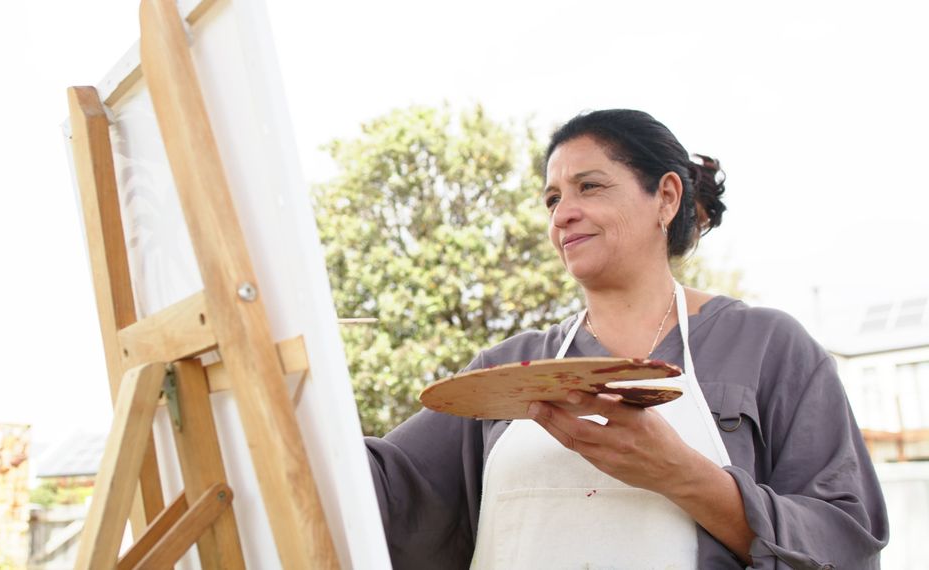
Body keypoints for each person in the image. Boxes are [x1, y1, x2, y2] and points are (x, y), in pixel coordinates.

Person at [365, 109, 888, 569]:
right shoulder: (507, 370)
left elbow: (845, 546)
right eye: (552, 199)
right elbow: (380, 490)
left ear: (665, 196)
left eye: (588, 187)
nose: (561, 214)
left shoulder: (767, 347)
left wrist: (687, 477)